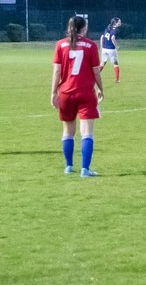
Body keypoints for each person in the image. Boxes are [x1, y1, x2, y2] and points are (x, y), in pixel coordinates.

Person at [52, 15, 103, 177]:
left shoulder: (60, 45)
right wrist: (101, 88)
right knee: (87, 132)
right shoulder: (91, 45)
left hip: (66, 93)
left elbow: (57, 71)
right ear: (84, 28)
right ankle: (85, 169)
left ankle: (68, 166)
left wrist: (53, 92)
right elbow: (96, 71)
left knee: (67, 131)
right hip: (85, 93)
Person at [99, 17, 121, 82]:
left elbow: (102, 37)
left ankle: (94, 75)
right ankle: (117, 79)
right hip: (111, 49)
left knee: (102, 63)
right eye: (119, 22)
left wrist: (101, 47)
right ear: (115, 23)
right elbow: (113, 38)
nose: (120, 23)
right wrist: (116, 46)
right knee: (116, 63)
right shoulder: (114, 29)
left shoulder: (107, 28)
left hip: (104, 49)